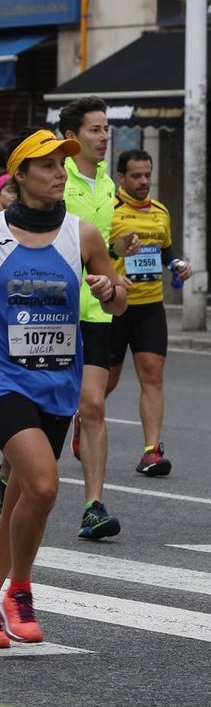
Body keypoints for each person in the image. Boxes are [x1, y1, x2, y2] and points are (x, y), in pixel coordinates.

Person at [0, 127, 126, 647]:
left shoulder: (83, 235)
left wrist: (108, 288)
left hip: (57, 378)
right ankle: (20, 591)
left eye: (62, 165)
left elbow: (118, 300)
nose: (59, 174)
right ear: (21, 175)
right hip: (2, 375)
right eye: (48, 166)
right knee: (45, 485)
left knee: (21, 500)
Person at [106, 149, 192, 476]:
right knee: (107, 381)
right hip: (115, 306)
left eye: (147, 175)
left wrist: (178, 265)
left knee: (153, 375)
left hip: (151, 305)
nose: (144, 181)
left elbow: (165, 252)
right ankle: (84, 417)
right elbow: (95, 252)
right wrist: (114, 273)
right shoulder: (110, 210)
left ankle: (151, 452)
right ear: (121, 177)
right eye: (136, 176)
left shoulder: (160, 211)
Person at [60, 95, 123, 538]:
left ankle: (93, 507)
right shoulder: (53, 177)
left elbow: (100, 246)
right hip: (53, 310)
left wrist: (114, 269)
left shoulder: (107, 184)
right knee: (47, 406)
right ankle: (7, 472)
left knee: (93, 406)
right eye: (95, 130)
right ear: (71, 136)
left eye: (106, 129)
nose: (103, 137)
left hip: (97, 309)